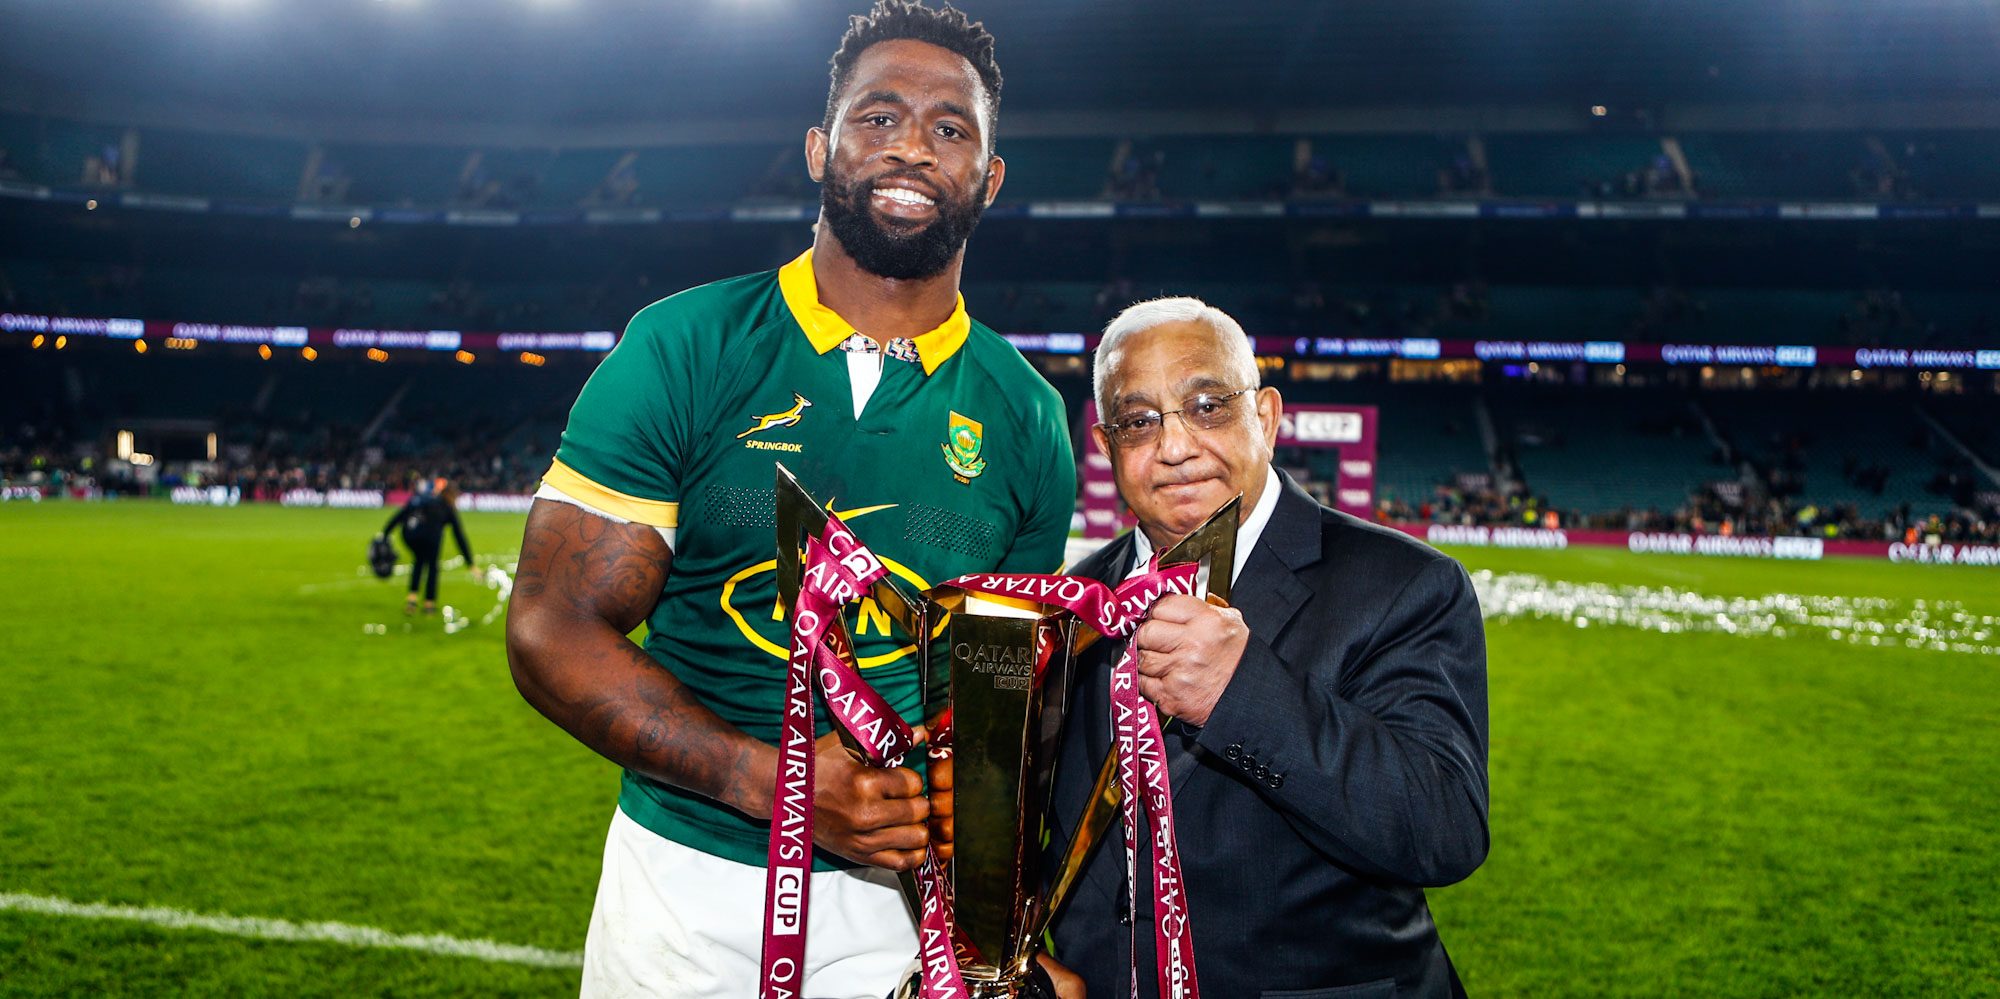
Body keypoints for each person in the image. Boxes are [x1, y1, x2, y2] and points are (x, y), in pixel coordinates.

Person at [504, 4, 1079, 997]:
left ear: (988, 178)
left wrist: (999, 915)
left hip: (900, 903)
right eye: (878, 116)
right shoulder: (683, 346)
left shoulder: (1027, 415)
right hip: (686, 888)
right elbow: (550, 625)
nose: (911, 146)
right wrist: (771, 782)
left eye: (949, 128)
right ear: (819, 149)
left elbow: (999, 700)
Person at [1045, 298, 1490, 999]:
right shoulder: (1076, 602)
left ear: (1267, 417)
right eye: (1139, 421)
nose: (1175, 446)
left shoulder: (1405, 584)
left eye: (1207, 407)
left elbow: (1443, 828)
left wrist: (1241, 692)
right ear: (1106, 445)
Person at [380, 476, 471, 615]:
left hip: (411, 536)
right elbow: (459, 536)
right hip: (431, 539)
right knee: (432, 567)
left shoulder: (424, 499)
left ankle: (412, 600)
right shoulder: (447, 507)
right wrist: (470, 563)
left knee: (419, 561)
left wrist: (385, 533)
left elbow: (401, 515)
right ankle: (429, 603)